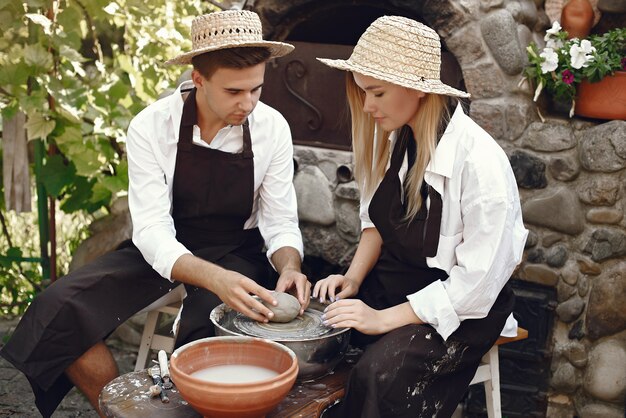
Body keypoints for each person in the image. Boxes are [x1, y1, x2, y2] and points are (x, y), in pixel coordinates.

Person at [0, 10, 310, 417]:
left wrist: (290, 264)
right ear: (198, 80)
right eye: (235, 91)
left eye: (256, 89)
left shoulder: (273, 127)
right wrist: (212, 277)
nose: (248, 102)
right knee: (59, 310)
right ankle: (120, 411)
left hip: (237, 249)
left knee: (208, 332)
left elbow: (280, 220)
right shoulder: (151, 125)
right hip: (166, 248)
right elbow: (151, 229)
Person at [314, 16, 528, 418]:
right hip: (395, 284)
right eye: (363, 93)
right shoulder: (395, 137)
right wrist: (353, 278)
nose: (367, 106)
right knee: (319, 333)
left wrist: (380, 320)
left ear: (417, 89)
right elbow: (374, 221)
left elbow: (475, 287)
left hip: (460, 310)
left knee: (379, 374)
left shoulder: (479, 163)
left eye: (376, 93)